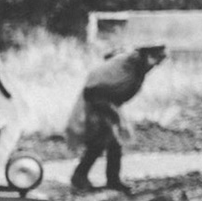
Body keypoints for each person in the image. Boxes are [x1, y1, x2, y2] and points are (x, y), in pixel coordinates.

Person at [68, 44, 168, 192]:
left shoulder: (137, 67)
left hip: (105, 102)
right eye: (156, 59)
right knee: (102, 142)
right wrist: (116, 115)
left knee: (109, 143)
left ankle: (107, 180)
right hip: (96, 101)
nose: (156, 65)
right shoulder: (127, 65)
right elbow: (95, 90)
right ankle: (81, 178)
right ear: (147, 55)